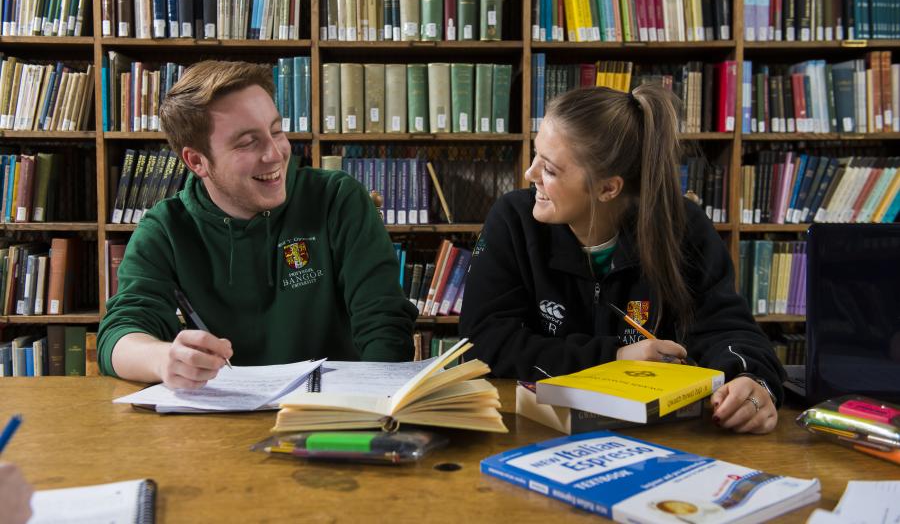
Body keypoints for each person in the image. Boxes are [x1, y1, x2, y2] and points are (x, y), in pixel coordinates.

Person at [460, 85, 785, 434]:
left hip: (664, 436)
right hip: (537, 429)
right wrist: (614, 357)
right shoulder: (514, 220)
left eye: (550, 170)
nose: (530, 174)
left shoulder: (683, 227)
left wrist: (754, 382)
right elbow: (481, 343)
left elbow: (730, 330)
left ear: (608, 189)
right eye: (536, 155)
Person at [98, 61, 417, 389]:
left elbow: (385, 324)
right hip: (220, 420)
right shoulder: (165, 229)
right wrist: (164, 359)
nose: (275, 154)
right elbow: (118, 336)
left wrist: (376, 402)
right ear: (197, 161)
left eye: (276, 130)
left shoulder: (336, 198)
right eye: (247, 142)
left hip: (331, 413)